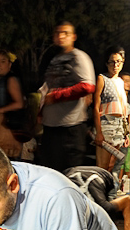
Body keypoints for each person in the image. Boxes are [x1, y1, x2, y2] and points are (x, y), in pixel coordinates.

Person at [39, 22, 95, 172]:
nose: (61, 36)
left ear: (73, 37)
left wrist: (57, 96)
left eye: (65, 33)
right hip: (51, 126)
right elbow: (47, 88)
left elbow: (87, 86)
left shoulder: (79, 57)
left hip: (70, 128)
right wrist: (40, 112)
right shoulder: (53, 59)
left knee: (70, 174)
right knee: (50, 172)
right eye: (57, 33)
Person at [64, 166, 130, 230]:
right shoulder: (62, 206)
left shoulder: (103, 207)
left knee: (110, 220)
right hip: (70, 173)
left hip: (103, 175)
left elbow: (126, 200)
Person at [92, 46, 130, 173]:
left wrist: (126, 132)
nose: (115, 65)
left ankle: (108, 192)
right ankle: (98, 191)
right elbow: (96, 107)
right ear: (107, 63)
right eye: (112, 61)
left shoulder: (120, 81)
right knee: (102, 166)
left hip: (119, 127)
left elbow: (123, 109)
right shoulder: (102, 78)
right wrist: (98, 131)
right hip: (106, 125)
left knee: (112, 166)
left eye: (118, 61)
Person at [0, 50, 26, 159]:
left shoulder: (11, 79)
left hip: (7, 126)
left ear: (9, 64)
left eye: (3, 61)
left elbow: (19, 103)